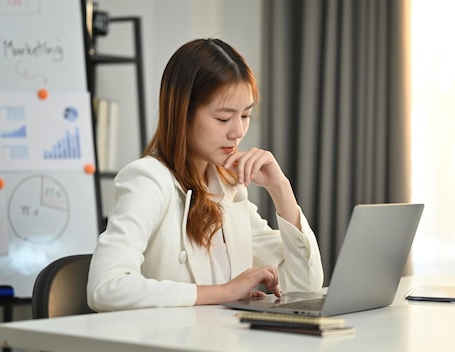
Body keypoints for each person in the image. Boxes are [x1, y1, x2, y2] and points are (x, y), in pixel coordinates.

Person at [87, 38, 323, 311]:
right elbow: (105, 288)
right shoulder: (147, 179)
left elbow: (305, 285)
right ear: (182, 114)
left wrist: (281, 188)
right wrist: (223, 292)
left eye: (245, 115)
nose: (238, 132)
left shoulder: (227, 188)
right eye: (224, 118)